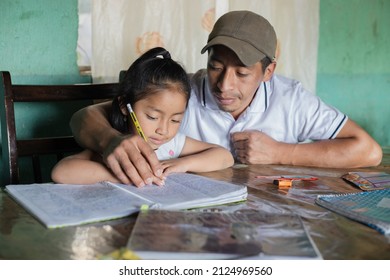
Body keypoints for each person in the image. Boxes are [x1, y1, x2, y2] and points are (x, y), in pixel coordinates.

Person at [69, 10, 382, 187]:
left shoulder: (293, 100)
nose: (223, 85)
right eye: (215, 67)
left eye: (242, 74)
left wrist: (279, 152)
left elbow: (368, 152)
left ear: (268, 71)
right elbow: (85, 117)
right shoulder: (180, 94)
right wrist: (110, 140)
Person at [51, 47, 234, 186]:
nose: (164, 130)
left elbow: (225, 156)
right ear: (125, 106)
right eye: (152, 117)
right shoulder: (117, 144)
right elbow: (61, 172)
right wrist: (126, 175)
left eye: (175, 120)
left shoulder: (172, 145)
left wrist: (184, 164)